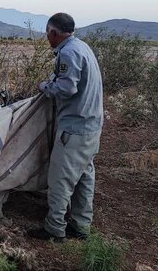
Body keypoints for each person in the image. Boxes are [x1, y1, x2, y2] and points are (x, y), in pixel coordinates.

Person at [28, 12, 104, 242]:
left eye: (47, 33)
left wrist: (44, 87)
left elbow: (67, 88)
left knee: (60, 179)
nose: (47, 38)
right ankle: (80, 225)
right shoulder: (82, 47)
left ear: (53, 32)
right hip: (91, 125)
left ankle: (54, 229)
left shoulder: (68, 53)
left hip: (74, 128)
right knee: (83, 177)